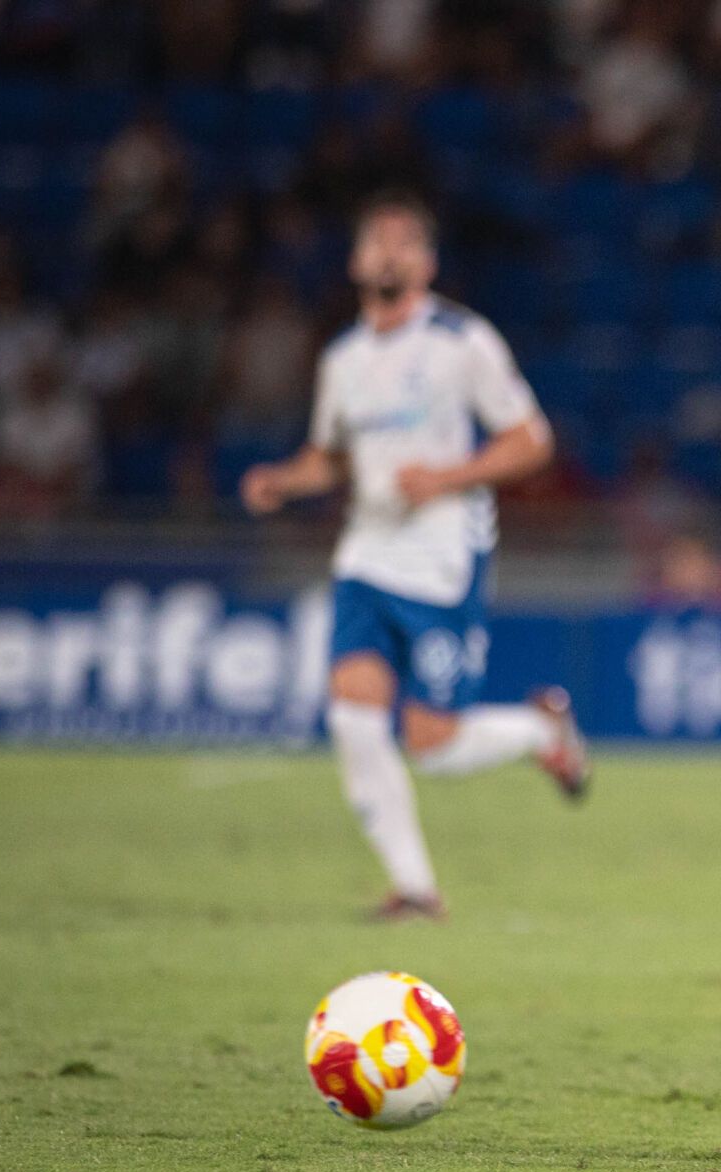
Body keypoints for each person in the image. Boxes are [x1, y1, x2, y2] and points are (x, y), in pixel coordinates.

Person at [240, 190, 589, 921]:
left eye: (405, 242)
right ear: (356, 261)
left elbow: (532, 440)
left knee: (432, 744)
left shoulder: (463, 342)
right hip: (366, 553)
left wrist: (447, 478)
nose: (390, 252)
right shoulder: (343, 357)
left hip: (441, 558)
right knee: (353, 720)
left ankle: (540, 730)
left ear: (427, 263)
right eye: (377, 241)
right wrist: (284, 479)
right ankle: (415, 888)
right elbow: (332, 457)